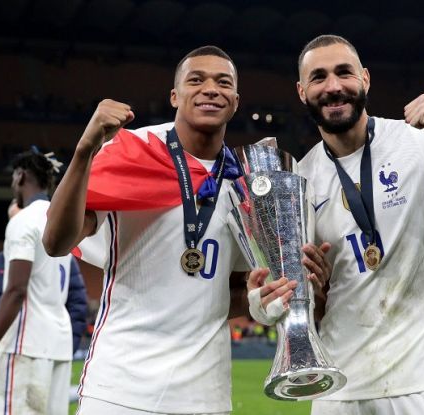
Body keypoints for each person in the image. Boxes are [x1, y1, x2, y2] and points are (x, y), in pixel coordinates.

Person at [42, 45, 328, 415]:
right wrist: (84, 150)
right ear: (175, 95)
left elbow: (234, 291)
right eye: (196, 80)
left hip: (204, 395)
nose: (211, 88)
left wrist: (260, 303)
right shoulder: (134, 152)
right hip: (121, 387)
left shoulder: (249, 181)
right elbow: (55, 242)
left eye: (223, 82)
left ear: (236, 101)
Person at [252, 34, 424, 415]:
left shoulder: (420, 144)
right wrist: (281, 298)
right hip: (338, 387)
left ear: (365, 78)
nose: (333, 86)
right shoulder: (299, 179)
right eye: (319, 77)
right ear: (302, 91)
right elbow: (306, 303)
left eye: (344, 72)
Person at [0, 150, 75, 415]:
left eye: (12, 178)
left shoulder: (23, 221)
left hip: (25, 346)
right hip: (58, 345)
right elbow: (39, 288)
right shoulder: (60, 220)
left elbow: (17, 290)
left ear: (20, 176)